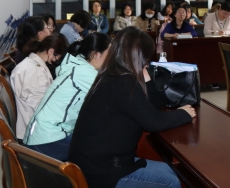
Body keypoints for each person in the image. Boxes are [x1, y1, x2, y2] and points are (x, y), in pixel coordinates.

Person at [68, 27, 195, 188]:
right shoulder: (122, 82)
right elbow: (153, 122)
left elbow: (152, 110)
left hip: (103, 162)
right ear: (139, 56)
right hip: (102, 171)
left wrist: (146, 77)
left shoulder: (113, 74)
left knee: (170, 171)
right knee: (172, 182)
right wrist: (183, 113)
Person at [23, 32, 111, 161]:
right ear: (95, 54)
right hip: (45, 140)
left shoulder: (78, 64)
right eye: (109, 53)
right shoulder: (85, 73)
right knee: (100, 151)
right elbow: (113, 97)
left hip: (41, 135)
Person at [10, 33, 70, 140]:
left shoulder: (31, 64)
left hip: (32, 125)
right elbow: (40, 106)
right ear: (51, 51)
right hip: (34, 133)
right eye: (57, 57)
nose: (56, 61)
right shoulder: (35, 71)